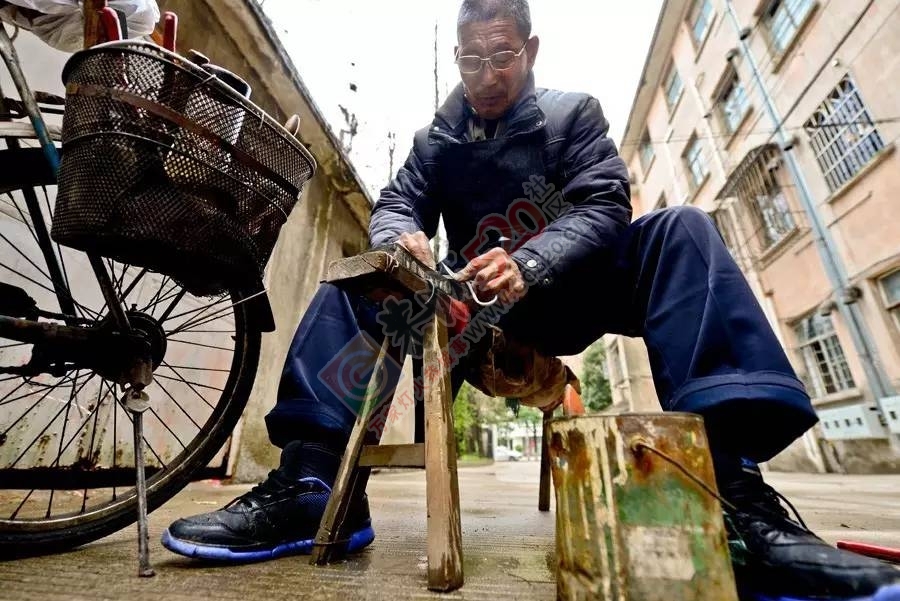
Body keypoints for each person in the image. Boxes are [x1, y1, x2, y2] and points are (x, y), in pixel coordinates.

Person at [161, 1, 900, 598]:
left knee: (682, 230)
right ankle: (316, 483)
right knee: (367, 275)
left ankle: (736, 501)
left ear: (531, 50)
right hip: (474, 308)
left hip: (577, 284)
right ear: (457, 58)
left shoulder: (573, 114)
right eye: (472, 58)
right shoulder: (435, 139)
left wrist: (530, 256)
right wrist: (403, 238)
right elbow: (395, 203)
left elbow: (606, 201)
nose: (486, 73)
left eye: (502, 55)